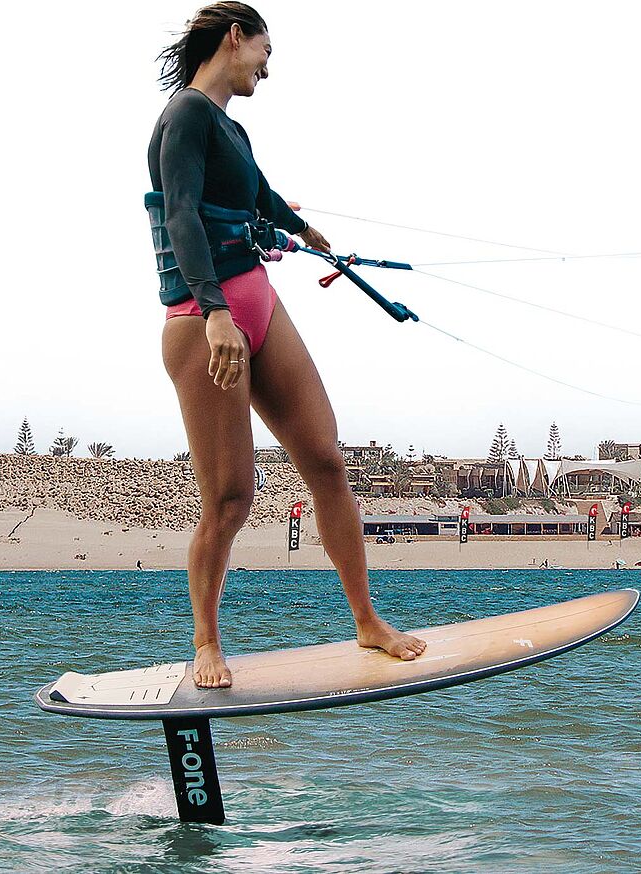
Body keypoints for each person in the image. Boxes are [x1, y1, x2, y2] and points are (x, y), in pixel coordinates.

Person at [150, 3, 425, 688]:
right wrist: (214, 312)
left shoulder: (230, 128)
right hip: (202, 315)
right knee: (230, 497)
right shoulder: (184, 115)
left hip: (258, 300)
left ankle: (367, 621)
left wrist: (305, 229)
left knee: (326, 460)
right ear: (235, 37)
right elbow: (180, 212)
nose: (267, 70)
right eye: (264, 53)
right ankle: (206, 642)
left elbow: (260, 195)